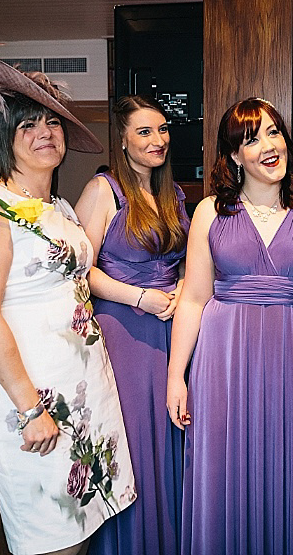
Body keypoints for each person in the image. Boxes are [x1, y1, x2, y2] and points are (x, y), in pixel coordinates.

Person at [0, 24, 134, 555]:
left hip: (82, 386)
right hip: (34, 395)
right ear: (2, 136)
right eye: (27, 124)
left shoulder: (62, 209)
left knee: (83, 527)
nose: (45, 132)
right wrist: (31, 409)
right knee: (50, 532)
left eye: (51, 121)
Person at [167, 97, 293, 555]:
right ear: (234, 156)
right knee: (225, 468)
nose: (268, 145)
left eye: (274, 132)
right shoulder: (210, 211)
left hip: (292, 357)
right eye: (252, 138)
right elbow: (194, 299)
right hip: (224, 358)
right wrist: (175, 377)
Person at [75, 95, 188, 555]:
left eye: (162, 129)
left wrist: (181, 286)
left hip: (171, 328)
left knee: (170, 433)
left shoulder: (172, 192)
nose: (157, 139)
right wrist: (140, 296)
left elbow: (186, 258)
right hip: (124, 330)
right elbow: (80, 270)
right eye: (144, 132)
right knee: (136, 441)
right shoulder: (104, 190)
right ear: (121, 140)